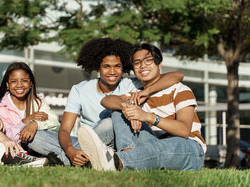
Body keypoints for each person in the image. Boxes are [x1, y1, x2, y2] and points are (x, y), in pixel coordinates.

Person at [27, 38, 184, 166]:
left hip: (119, 142)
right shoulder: (80, 89)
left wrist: (145, 92)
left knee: (110, 121)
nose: (112, 72)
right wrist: (69, 150)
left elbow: (177, 76)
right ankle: (79, 158)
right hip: (86, 141)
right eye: (106, 67)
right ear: (98, 67)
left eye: (117, 66)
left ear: (123, 68)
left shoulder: (131, 84)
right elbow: (65, 129)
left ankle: (65, 159)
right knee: (36, 137)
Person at [78, 43, 206, 171]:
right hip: (152, 145)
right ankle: (128, 156)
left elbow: (184, 130)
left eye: (148, 60)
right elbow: (106, 100)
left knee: (158, 148)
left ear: (159, 64)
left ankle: (116, 161)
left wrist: (146, 116)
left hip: (187, 147)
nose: (143, 65)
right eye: (137, 63)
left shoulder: (180, 90)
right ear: (134, 69)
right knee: (118, 111)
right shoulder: (136, 95)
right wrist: (127, 108)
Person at [0, 62, 60, 146]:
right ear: (7, 84)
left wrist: (35, 124)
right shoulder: (0, 107)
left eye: (24, 81)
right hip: (15, 152)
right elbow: (9, 137)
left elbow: (55, 124)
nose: (19, 85)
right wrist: (26, 121)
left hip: (41, 149)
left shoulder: (38, 101)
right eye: (14, 81)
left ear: (30, 83)